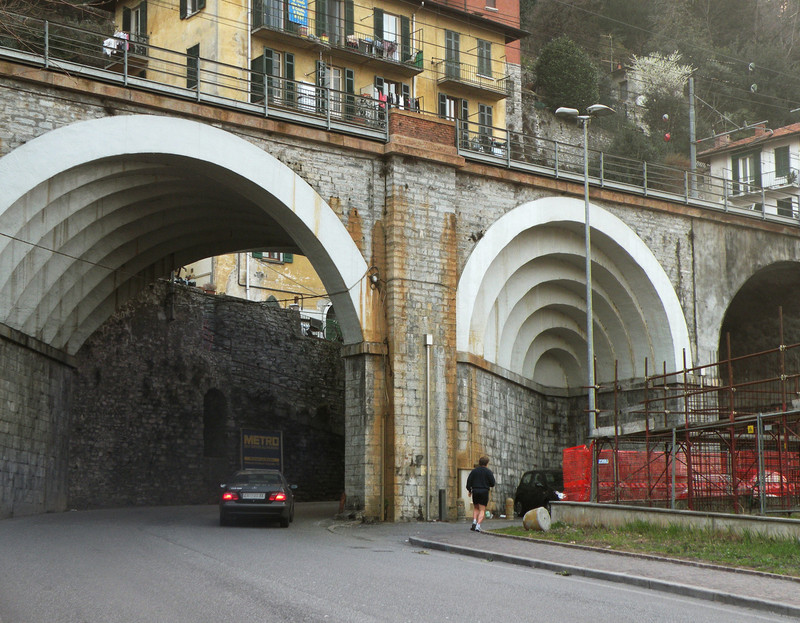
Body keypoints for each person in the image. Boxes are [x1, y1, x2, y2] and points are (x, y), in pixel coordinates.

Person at [466, 455, 495, 532]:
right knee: (482, 509)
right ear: (487, 463)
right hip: (484, 491)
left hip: (475, 491)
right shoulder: (488, 472)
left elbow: (469, 481)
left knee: (475, 508)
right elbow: (492, 483)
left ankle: (474, 521)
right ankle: (478, 526)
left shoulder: (474, 471)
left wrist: (469, 490)